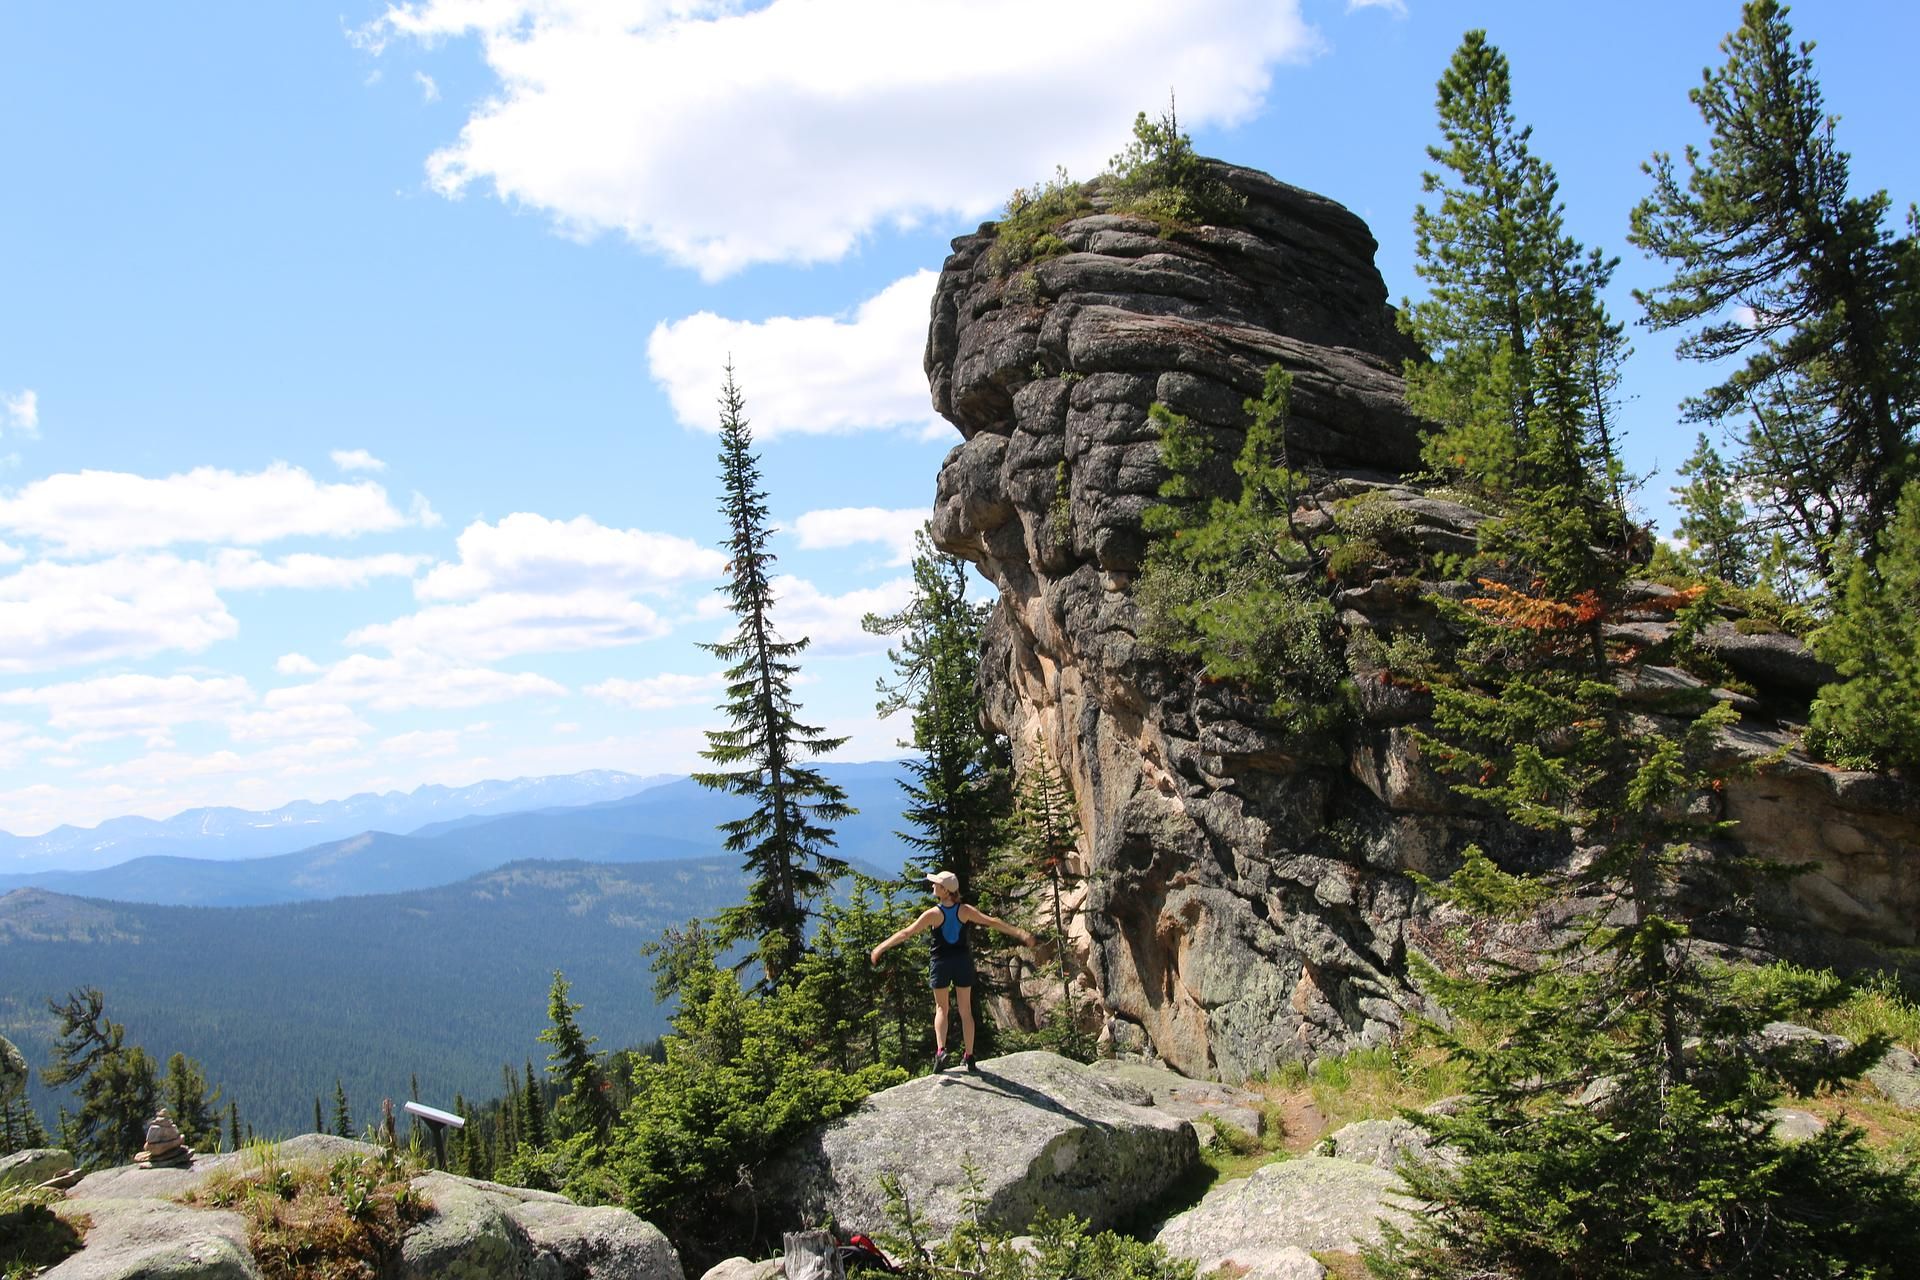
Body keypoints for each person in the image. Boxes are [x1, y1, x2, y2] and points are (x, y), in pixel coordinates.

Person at [869, 870, 1036, 1073]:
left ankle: (941, 1051)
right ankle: (970, 1056)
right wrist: (1019, 933)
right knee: (966, 1011)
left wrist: (881, 947)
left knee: (942, 1009)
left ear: (945, 890)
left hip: (940, 964)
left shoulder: (933, 914)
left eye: (936, 884)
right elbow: (991, 921)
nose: (932, 886)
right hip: (962, 962)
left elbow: (906, 933)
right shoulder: (964, 911)